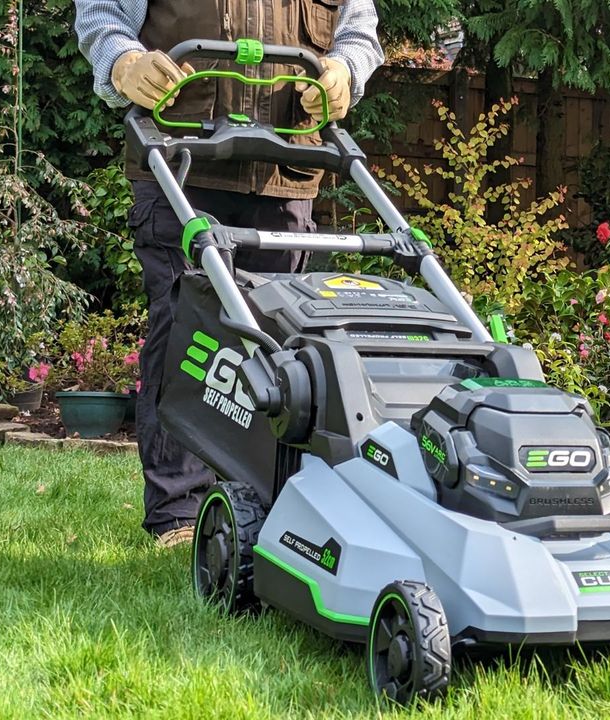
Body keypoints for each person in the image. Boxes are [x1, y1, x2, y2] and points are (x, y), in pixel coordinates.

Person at [74, 0, 384, 547]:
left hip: (286, 172)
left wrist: (344, 71)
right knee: (183, 330)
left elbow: (358, 31)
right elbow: (101, 16)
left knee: (282, 346)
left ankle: (270, 508)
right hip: (181, 160)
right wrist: (125, 63)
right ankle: (179, 512)